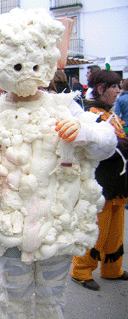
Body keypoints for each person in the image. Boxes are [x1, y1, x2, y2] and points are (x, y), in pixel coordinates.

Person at [0, 8, 117, 317]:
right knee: (15, 301)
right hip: (9, 225)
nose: (27, 74)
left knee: (52, 302)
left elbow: (108, 141)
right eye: (19, 66)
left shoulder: (64, 107)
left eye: (34, 65)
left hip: (57, 225)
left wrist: (84, 132)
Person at [71, 70, 128, 291]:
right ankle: (81, 270)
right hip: (100, 181)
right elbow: (92, 146)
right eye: (113, 87)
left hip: (118, 182)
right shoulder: (90, 114)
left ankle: (112, 268)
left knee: (115, 230)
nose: (117, 91)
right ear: (101, 88)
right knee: (94, 229)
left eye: (118, 87)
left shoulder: (110, 113)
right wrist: (117, 146)